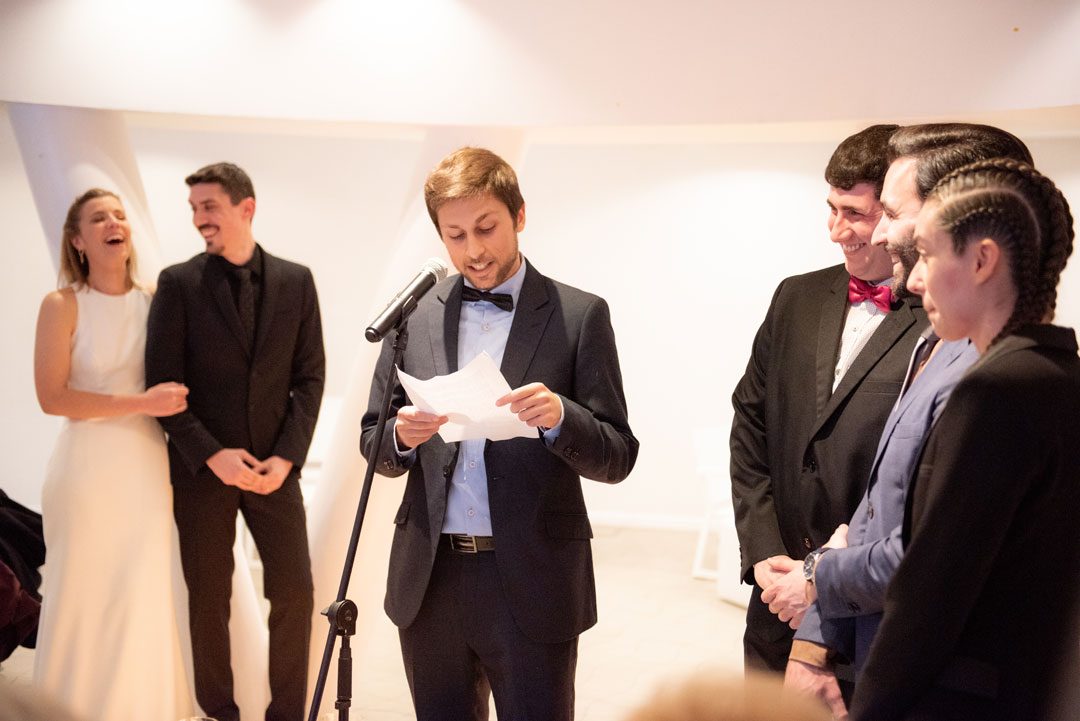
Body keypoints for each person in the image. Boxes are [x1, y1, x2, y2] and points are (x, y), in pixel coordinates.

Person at [361, 146, 638, 721]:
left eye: (486, 228)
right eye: (455, 235)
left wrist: (561, 417)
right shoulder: (414, 316)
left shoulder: (579, 314)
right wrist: (402, 437)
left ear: (520, 215)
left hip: (534, 576)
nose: (473, 251)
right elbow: (373, 440)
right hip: (431, 578)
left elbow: (617, 455)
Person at [780, 124, 1033, 715]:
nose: (879, 232)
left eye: (892, 213)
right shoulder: (935, 341)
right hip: (872, 653)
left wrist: (816, 575)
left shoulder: (1001, 377)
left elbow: (925, 557)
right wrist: (814, 643)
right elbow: (874, 510)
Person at [849, 159, 1080, 720]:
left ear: (981, 260)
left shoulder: (993, 392)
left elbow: (931, 590)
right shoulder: (1061, 377)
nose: (916, 280)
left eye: (927, 255)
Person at [730, 124, 927, 674]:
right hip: (774, 598)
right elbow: (750, 421)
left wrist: (823, 580)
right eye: (832, 209)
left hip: (866, 616)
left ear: (893, 215)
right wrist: (764, 551)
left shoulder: (940, 319)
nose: (837, 231)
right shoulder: (796, 296)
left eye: (855, 213)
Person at [146, 163, 325, 721]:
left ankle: (287, 715)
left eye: (209, 207)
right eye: (194, 209)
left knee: (296, 592)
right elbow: (162, 386)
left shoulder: (297, 281)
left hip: (276, 469)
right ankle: (218, 713)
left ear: (246, 208)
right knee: (208, 599)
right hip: (203, 474)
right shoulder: (177, 284)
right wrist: (211, 455)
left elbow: (310, 377)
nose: (199, 219)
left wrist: (287, 457)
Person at [31, 189, 192, 721]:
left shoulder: (155, 301)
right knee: (82, 590)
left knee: (142, 589)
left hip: (145, 466)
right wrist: (140, 403)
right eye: (98, 218)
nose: (113, 223)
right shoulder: (61, 305)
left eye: (119, 215)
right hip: (85, 471)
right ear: (77, 240)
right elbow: (53, 397)